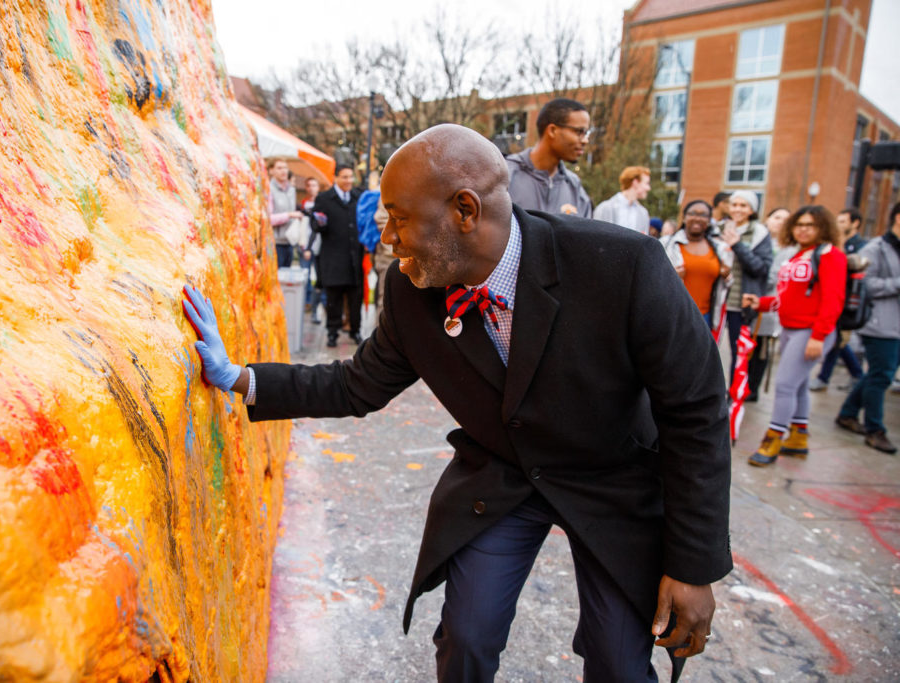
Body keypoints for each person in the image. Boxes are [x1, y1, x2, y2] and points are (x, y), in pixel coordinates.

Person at [182, 124, 731, 682]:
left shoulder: (620, 265)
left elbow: (696, 410)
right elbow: (357, 384)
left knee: (619, 662)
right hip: (505, 474)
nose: (388, 239)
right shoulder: (411, 291)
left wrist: (692, 565)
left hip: (613, 477)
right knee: (466, 637)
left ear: (464, 210)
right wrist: (240, 377)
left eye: (399, 218)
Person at [743, 206, 846, 466]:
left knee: (785, 385)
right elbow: (789, 298)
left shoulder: (830, 255)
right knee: (797, 385)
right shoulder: (800, 254)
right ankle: (799, 437)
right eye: (799, 224)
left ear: (823, 228)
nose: (803, 229)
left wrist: (819, 336)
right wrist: (762, 303)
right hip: (790, 328)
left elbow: (833, 300)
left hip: (810, 331)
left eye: (810, 225)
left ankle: (773, 439)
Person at [835, 201, 900, 454]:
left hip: (896, 324)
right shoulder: (876, 248)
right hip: (879, 324)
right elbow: (867, 285)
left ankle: (848, 413)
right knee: (881, 376)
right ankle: (875, 429)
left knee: (879, 374)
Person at [810, 207, 868, 391]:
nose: (839, 225)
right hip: (835, 300)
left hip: (848, 300)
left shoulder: (861, 245)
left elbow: (861, 267)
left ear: (855, 223)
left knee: (839, 341)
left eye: (843, 221)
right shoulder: (835, 244)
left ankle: (848, 375)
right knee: (838, 342)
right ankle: (854, 374)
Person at [506, 97, 593, 218]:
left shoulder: (575, 187)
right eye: (579, 132)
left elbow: (585, 234)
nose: (585, 140)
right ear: (552, 130)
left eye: (586, 133)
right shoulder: (507, 175)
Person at [720, 190, 773, 374]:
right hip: (717, 301)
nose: (738, 209)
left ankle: (734, 394)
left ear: (752, 210)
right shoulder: (719, 229)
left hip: (739, 304)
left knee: (738, 352)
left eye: (743, 205)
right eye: (734, 204)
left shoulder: (760, 233)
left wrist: (737, 246)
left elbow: (761, 268)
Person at [659, 200, 733, 330]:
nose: (697, 218)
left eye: (703, 215)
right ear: (684, 217)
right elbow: (652, 277)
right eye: (692, 213)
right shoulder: (666, 244)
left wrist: (727, 276)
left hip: (705, 316)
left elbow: (727, 285)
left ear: (709, 220)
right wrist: (671, 276)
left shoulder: (719, 249)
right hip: (673, 314)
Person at [312, 164, 365, 347]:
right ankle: (332, 332)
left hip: (354, 259)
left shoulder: (358, 197)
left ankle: (355, 331)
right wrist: (318, 223)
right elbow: (316, 226)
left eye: (351, 177)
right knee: (333, 299)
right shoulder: (324, 199)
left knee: (355, 299)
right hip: (333, 258)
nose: (348, 181)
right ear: (336, 178)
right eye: (344, 177)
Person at [747, 206, 792, 401]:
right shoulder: (757, 240)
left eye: (785, 218)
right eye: (777, 217)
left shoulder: (791, 249)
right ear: (768, 218)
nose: (780, 222)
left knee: (761, 349)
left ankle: (753, 387)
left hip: (770, 304)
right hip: (751, 298)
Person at [268, 159, 304, 268]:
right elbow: (268, 219)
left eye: (285, 168)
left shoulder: (291, 190)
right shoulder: (269, 190)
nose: (283, 171)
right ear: (271, 171)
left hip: (289, 241)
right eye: (279, 168)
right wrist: (289, 215)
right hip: (275, 243)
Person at [594, 166, 651, 233]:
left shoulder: (643, 214)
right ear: (635, 182)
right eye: (647, 183)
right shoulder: (604, 208)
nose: (648, 188)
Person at [299, 177, 323, 323]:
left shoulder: (322, 203)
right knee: (306, 276)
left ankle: (317, 307)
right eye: (309, 185)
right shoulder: (304, 204)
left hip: (318, 246)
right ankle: (306, 303)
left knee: (319, 279)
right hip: (306, 245)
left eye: (314, 185)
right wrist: (305, 246)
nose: (312, 188)